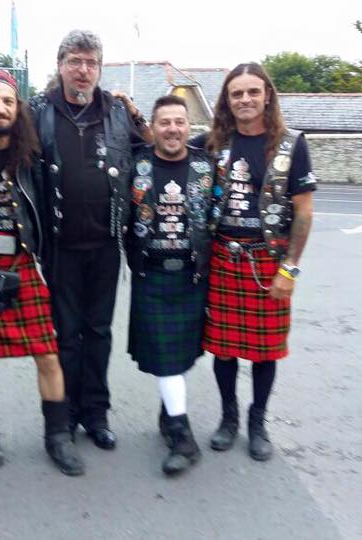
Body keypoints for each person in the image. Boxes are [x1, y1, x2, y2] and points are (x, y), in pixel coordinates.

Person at [0, 70, 84, 476]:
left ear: (17, 108)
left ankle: (57, 436)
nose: (0, 108)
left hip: (22, 265)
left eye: (7, 101)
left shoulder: (32, 158)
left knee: (47, 353)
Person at [27, 30, 151, 450]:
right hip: (58, 245)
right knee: (65, 335)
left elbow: (154, 150)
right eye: (75, 61)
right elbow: (7, 151)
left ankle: (96, 413)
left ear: (99, 68)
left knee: (98, 332)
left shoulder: (117, 111)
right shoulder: (38, 111)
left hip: (105, 245)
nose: (83, 70)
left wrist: (138, 114)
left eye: (91, 62)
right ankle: (64, 415)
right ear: (60, 65)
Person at [191, 62, 316, 461]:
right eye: (236, 93)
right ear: (227, 100)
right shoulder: (212, 143)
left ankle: (257, 422)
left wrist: (289, 269)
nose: (244, 99)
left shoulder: (291, 145)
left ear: (267, 96)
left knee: (266, 351)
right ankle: (228, 418)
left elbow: (305, 212)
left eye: (252, 92)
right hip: (223, 258)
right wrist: (135, 117)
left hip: (268, 262)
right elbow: (164, 143)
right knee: (223, 349)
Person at [126, 95, 214, 475]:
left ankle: (168, 414)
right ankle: (182, 435)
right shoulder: (136, 164)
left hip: (192, 276)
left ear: (189, 126)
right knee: (166, 355)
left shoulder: (207, 166)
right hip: (152, 273)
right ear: (154, 127)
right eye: (165, 122)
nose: (173, 129)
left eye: (180, 122)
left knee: (179, 356)